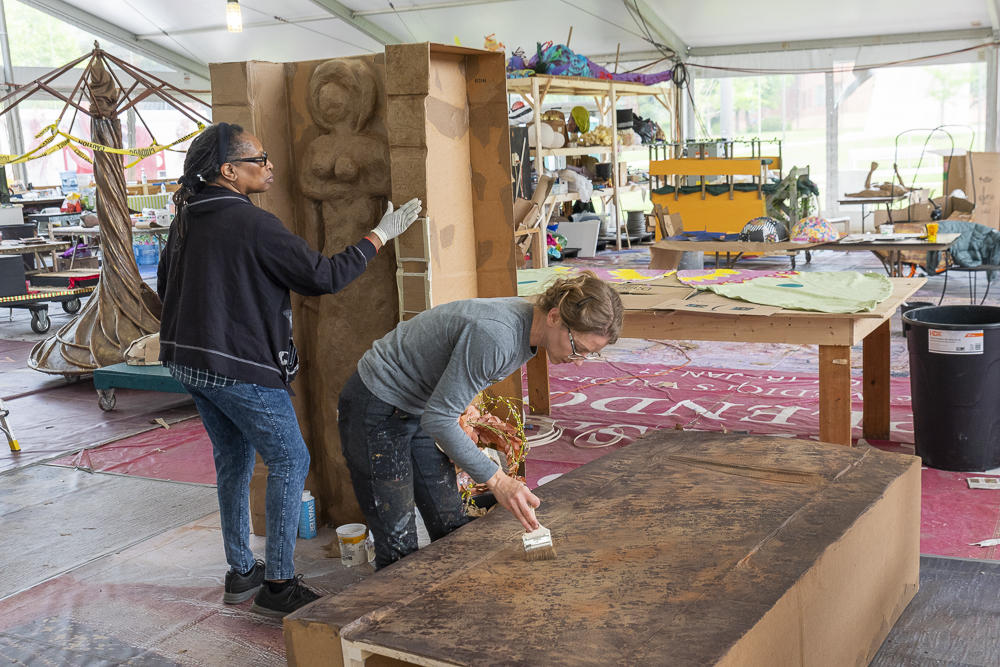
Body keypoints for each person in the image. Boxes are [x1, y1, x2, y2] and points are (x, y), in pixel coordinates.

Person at [157, 122, 420, 617]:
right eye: (259, 159)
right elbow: (325, 276)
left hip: (189, 362)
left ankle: (242, 571)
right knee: (291, 460)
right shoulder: (253, 223)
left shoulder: (188, 216)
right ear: (229, 170)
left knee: (233, 459)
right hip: (235, 365)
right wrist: (380, 235)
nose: (270, 165)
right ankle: (277, 584)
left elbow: (165, 288)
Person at [338, 272, 624, 569]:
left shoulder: (529, 331)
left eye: (589, 354)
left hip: (419, 406)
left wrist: (469, 443)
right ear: (554, 316)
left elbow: (445, 403)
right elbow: (440, 419)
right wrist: (497, 480)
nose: (578, 362)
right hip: (377, 403)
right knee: (399, 550)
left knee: (450, 525)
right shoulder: (497, 337)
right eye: (578, 349)